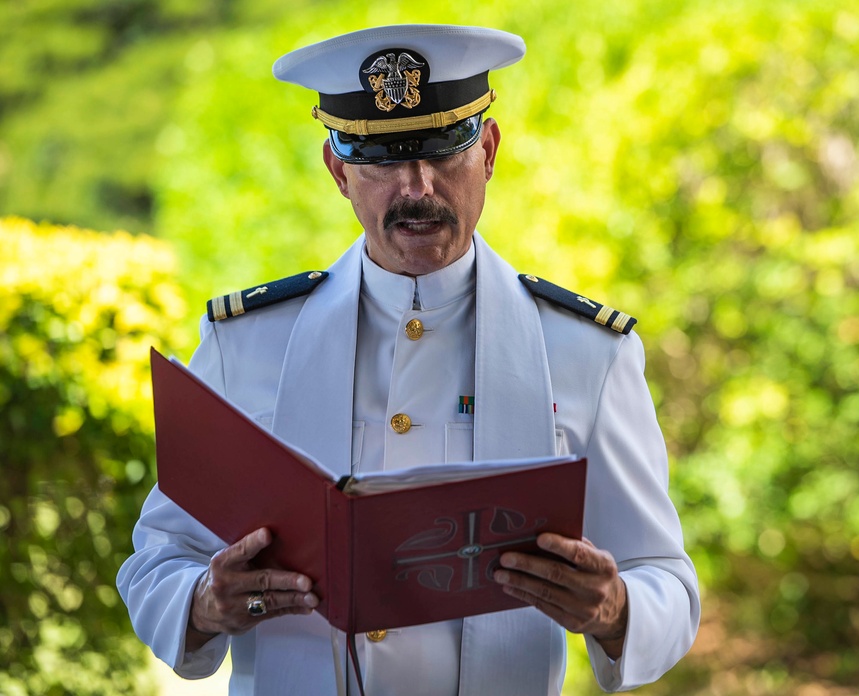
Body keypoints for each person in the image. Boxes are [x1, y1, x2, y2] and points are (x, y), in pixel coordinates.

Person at [118, 24, 700, 695]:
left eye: (442, 151)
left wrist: (615, 609)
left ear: (487, 150)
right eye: (381, 158)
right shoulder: (244, 344)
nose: (415, 186)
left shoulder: (588, 351)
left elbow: (667, 580)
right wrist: (202, 603)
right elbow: (156, 563)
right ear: (338, 171)